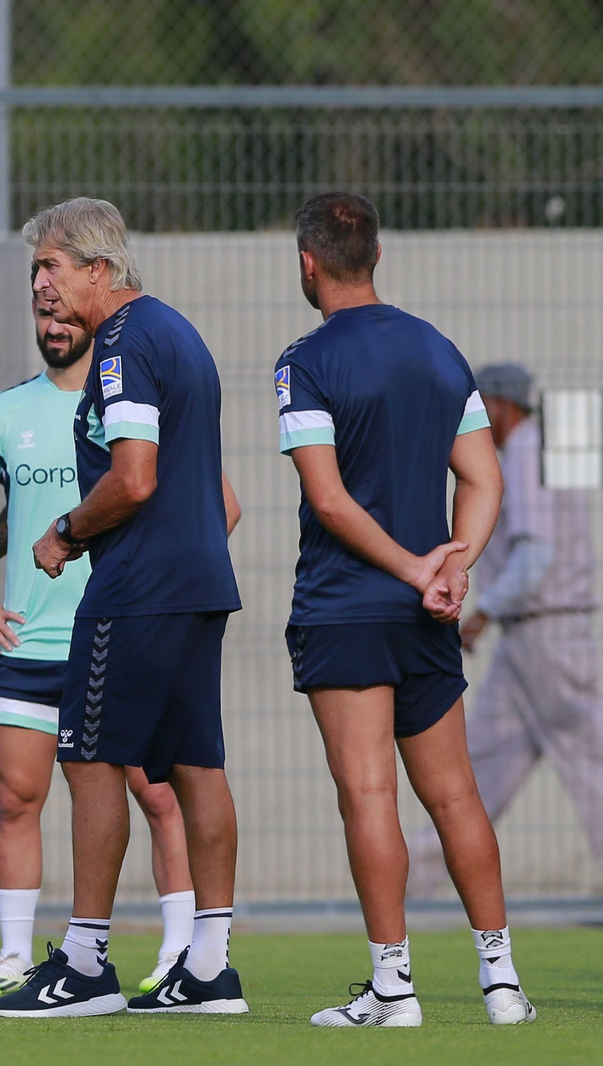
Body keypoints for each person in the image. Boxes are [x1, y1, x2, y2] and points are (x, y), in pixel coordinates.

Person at [274, 192, 535, 1028]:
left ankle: (394, 989)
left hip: (344, 608)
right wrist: (455, 564)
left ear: (308, 264)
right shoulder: (438, 349)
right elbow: (485, 479)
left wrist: (423, 565)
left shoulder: (304, 361)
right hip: (425, 615)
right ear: (377, 256)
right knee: (456, 795)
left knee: (368, 795)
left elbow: (330, 499)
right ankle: (502, 984)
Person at [0, 277, 235, 999]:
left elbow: (136, 483)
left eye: (52, 266)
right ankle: (203, 966)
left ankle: (87, 962)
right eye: (33, 282)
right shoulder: (172, 337)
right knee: (188, 767)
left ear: (96, 269)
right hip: (108, 616)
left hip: (126, 605)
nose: (43, 290)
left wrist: (69, 533)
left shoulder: (126, 349)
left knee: (104, 769)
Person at [408, 364, 603, 892]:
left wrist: (482, 613)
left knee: (592, 767)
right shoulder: (541, 450)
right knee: (478, 768)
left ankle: (414, 885)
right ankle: (415, 886)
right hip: (531, 639)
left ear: (500, 405)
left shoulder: (524, 451)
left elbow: (534, 557)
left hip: (549, 637)